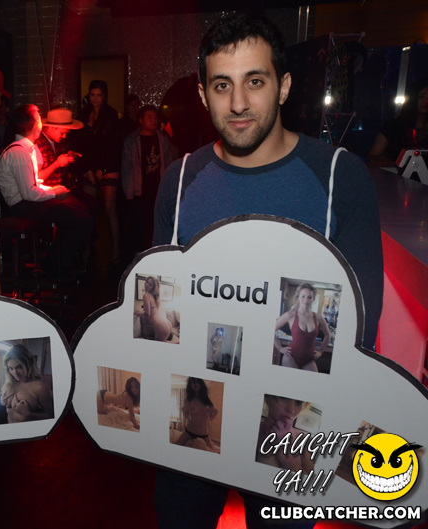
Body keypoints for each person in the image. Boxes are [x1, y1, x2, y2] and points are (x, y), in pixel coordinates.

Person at [153, 13, 383, 529]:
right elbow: (163, 306)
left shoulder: (339, 178)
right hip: (197, 410)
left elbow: (361, 329)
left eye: (254, 81)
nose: (238, 103)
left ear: (283, 86)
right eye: (222, 85)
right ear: (203, 94)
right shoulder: (180, 178)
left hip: (285, 429)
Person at [0, 104, 94, 279]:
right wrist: (55, 193)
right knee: (83, 221)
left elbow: (34, 184)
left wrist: (52, 189)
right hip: (22, 206)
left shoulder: (28, 149)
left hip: (28, 202)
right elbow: (28, 193)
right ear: (35, 125)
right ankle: (54, 263)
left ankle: (59, 262)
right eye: (39, 118)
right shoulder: (18, 152)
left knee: (81, 213)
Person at [78, 80, 122, 267]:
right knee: (87, 210)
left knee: (110, 208)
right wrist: (86, 169)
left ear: (104, 96)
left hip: (108, 166)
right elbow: (81, 144)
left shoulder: (110, 114)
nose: (95, 99)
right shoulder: (83, 114)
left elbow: (112, 144)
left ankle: (116, 252)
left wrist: (101, 168)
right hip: (89, 166)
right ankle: (86, 251)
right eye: (92, 95)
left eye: (99, 95)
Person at [121, 105, 174, 253]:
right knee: (138, 226)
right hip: (139, 191)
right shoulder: (132, 140)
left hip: (157, 189)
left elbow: (168, 161)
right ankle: (139, 255)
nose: (153, 120)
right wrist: (129, 192)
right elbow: (127, 167)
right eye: (149, 117)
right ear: (141, 120)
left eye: (155, 117)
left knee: (156, 225)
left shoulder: (162, 138)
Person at [367, 78, 428, 171]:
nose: (426, 101)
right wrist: (383, 161)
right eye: (421, 96)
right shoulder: (393, 126)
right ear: (413, 98)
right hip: (396, 177)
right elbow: (372, 156)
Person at [274, 283, 332, 372]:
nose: (306, 300)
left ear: (313, 299)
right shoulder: (290, 315)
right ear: (298, 297)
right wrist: (280, 348)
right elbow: (271, 329)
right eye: (303, 296)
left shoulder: (319, 317)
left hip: (309, 360)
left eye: (309, 297)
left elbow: (327, 335)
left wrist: (321, 351)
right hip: (291, 357)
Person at [255, 396, 314, 473]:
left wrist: (282, 452)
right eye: (284, 398)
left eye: (299, 402)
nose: (292, 410)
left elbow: (310, 477)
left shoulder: (303, 439)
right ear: (267, 398)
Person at [0, 344, 54, 423]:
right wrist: (2, 402)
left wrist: (29, 414)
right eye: (11, 368)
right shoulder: (9, 384)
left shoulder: (40, 387)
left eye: (19, 367)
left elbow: (51, 415)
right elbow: (7, 407)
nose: (15, 373)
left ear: (28, 365)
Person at [174, 377, 218, 452]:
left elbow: (210, 419)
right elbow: (187, 416)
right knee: (176, 447)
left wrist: (215, 413)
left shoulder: (206, 401)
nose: (196, 384)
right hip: (190, 431)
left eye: (198, 382)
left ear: (201, 384)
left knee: (213, 452)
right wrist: (184, 410)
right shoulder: (188, 399)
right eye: (193, 382)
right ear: (190, 384)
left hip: (204, 434)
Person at [137, 275, 173, 342]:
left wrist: (138, 313)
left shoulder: (146, 295)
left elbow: (147, 314)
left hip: (161, 326)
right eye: (147, 282)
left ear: (153, 287)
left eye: (150, 285)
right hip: (166, 323)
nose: (147, 285)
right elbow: (152, 309)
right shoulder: (155, 297)